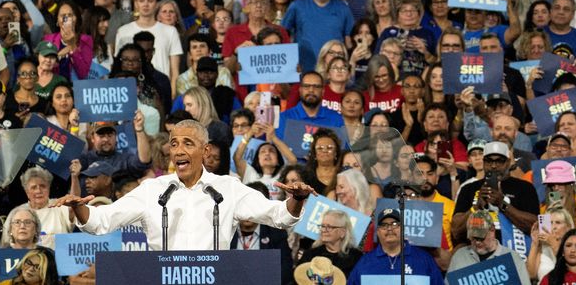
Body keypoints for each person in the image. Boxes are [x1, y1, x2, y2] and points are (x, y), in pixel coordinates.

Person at [55, 119, 314, 250]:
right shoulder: (153, 190)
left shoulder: (228, 188)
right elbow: (102, 221)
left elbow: (278, 216)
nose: (179, 150)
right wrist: (79, 208)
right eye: (175, 143)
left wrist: (297, 199)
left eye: (188, 144)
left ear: (205, 150)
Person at [282, 0, 354, 72]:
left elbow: (349, 43)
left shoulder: (343, 9)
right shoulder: (297, 6)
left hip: (332, 71)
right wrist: (290, 61)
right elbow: (282, 33)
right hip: (304, 69)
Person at [348, 207, 444, 285]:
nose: (389, 228)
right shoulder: (365, 262)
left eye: (394, 224)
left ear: (403, 229)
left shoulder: (424, 259)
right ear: (377, 232)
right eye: (384, 225)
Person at [447, 209, 531, 285]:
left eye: (481, 237)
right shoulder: (459, 256)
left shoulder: (512, 258)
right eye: (473, 238)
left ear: (492, 230)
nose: (477, 242)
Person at [298, 210, 362, 278]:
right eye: (322, 226)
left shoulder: (356, 258)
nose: (323, 230)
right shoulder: (311, 254)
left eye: (329, 227)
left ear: (342, 232)